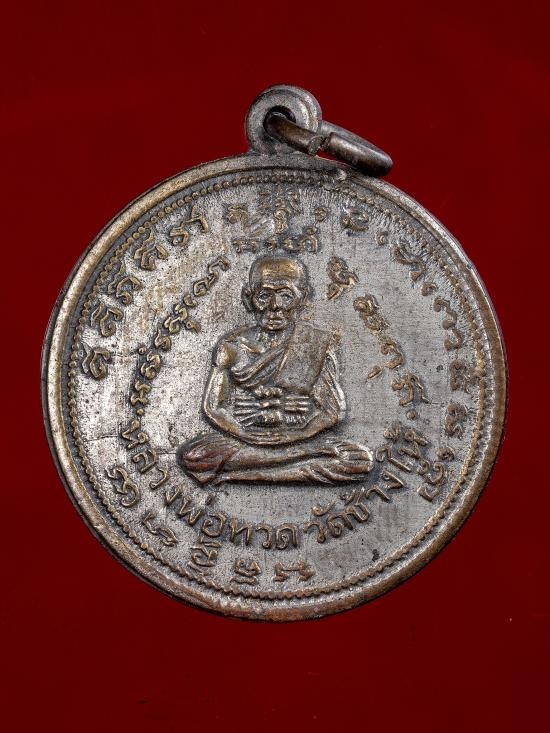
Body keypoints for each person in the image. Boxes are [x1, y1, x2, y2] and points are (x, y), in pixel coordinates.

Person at [177, 255, 372, 485]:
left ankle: (238, 474)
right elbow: (213, 408)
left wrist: (297, 434)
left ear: (303, 299)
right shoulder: (231, 347)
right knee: (194, 456)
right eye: (264, 295)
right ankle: (292, 464)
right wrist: (243, 432)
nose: (275, 306)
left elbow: (332, 414)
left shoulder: (314, 343)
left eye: (286, 296)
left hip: (300, 440)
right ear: (248, 298)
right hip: (245, 440)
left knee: (357, 460)